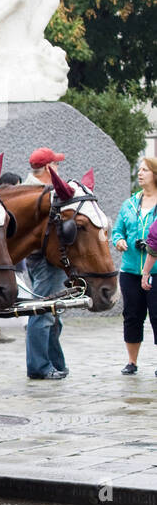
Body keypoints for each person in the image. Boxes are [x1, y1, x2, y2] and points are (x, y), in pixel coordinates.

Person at [23, 147, 69, 380]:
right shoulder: (39, 193)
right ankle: (40, 366)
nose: (59, 168)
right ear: (49, 168)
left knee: (52, 313)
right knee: (43, 313)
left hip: (41, 259)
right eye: (56, 165)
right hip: (45, 260)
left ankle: (55, 362)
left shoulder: (32, 190)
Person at [113, 157, 157, 374]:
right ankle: (132, 361)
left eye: (145, 170)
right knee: (132, 316)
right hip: (130, 270)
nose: (140, 173)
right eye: (139, 170)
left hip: (156, 272)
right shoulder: (129, 203)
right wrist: (119, 241)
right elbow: (117, 230)